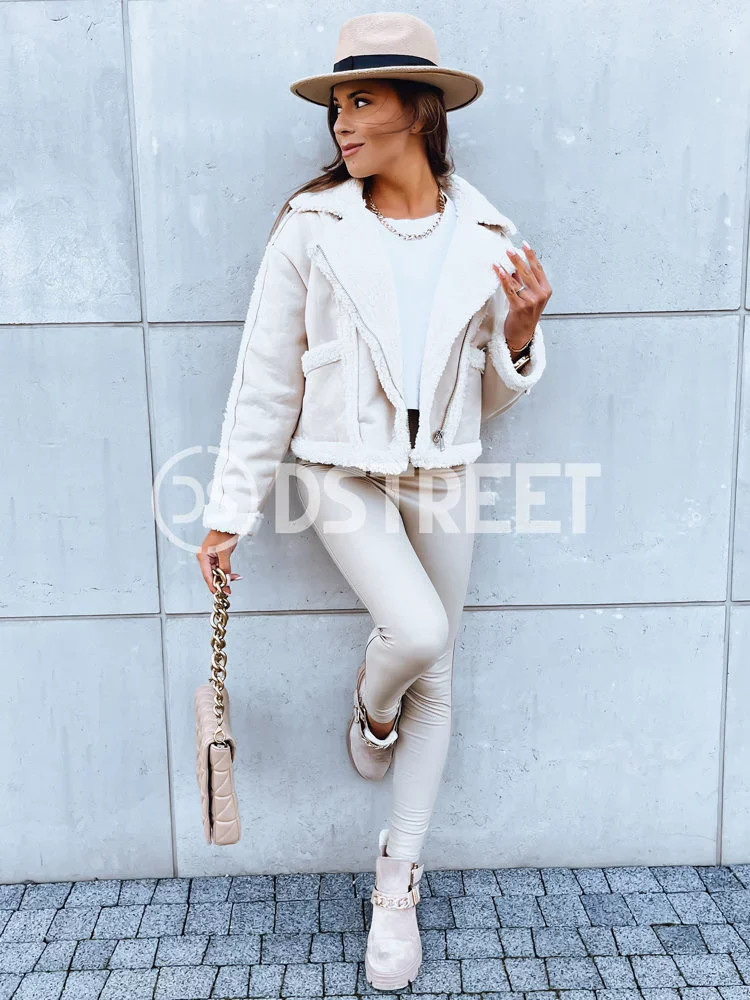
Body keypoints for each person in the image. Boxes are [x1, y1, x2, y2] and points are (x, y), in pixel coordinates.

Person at [196, 11, 552, 991]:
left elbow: (482, 397)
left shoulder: (488, 237)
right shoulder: (312, 227)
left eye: (362, 100)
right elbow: (265, 378)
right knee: (419, 634)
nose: (342, 122)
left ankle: (397, 884)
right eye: (337, 105)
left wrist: (520, 336)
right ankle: (372, 703)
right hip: (339, 471)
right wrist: (229, 510)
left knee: (441, 672)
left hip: (446, 470)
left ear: (420, 111)